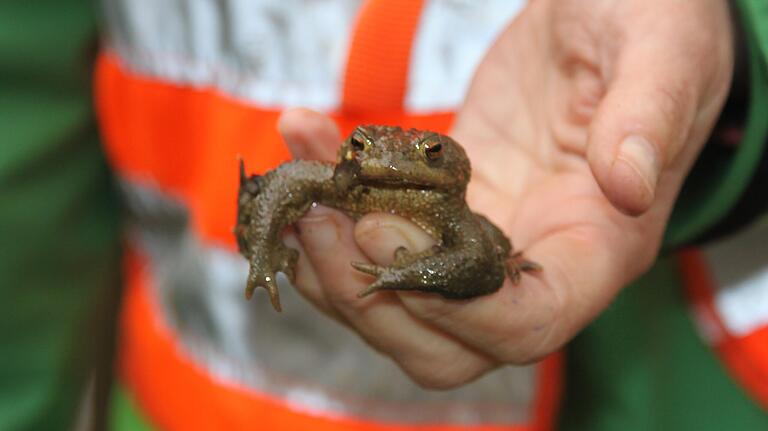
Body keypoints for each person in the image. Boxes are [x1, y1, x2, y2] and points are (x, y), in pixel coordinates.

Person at [2, 0, 766, 429]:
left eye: (426, 156)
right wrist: (265, 249)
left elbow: (482, 255)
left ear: (447, 164)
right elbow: (286, 180)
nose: (392, 163)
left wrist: (740, 36)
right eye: (369, 150)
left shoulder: (458, 213)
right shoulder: (349, 182)